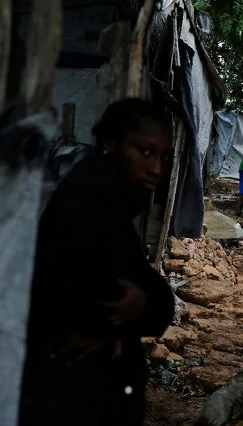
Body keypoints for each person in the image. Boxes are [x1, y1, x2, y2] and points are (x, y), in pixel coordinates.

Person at [19, 98, 176, 426]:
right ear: (109, 144)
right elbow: (103, 296)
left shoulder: (108, 202)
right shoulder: (87, 206)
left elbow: (152, 298)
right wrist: (114, 323)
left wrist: (141, 306)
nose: (157, 169)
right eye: (144, 152)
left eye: (163, 157)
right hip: (72, 396)